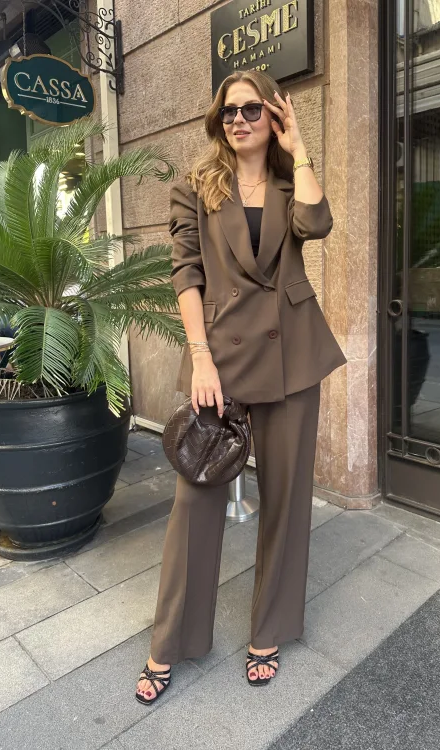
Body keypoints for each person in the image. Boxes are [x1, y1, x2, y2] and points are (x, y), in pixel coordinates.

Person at [135, 70, 346, 704]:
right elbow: (186, 274)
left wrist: (299, 148)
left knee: (286, 499)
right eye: (229, 111)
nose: (240, 120)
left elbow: (319, 223)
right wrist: (201, 358)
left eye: (253, 109)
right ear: (217, 120)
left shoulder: (289, 182)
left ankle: (268, 631)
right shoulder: (196, 187)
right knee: (194, 502)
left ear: (273, 117)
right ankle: (170, 640)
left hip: (291, 355)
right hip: (219, 359)